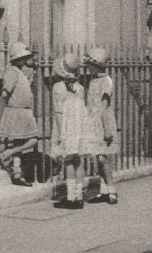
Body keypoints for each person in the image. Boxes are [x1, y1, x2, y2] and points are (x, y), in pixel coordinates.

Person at [0, 42, 39, 186]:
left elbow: (22, 88)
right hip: (18, 111)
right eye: (25, 57)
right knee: (33, 140)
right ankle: (7, 154)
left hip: (23, 111)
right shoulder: (13, 72)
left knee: (19, 141)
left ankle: (17, 173)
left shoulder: (19, 72)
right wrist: (14, 105)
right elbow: (5, 92)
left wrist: (32, 77)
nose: (27, 59)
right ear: (19, 59)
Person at [50, 52, 88, 208]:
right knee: (78, 160)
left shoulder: (57, 88)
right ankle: (79, 197)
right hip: (78, 128)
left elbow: (58, 113)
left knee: (68, 161)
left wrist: (61, 134)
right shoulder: (80, 88)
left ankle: (71, 197)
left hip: (65, 127)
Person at [83, 47, 119, 204]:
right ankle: (104, 190)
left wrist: (107, 130)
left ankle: (112, 190)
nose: (88, 68)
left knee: (103, 158)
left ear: (96, 65)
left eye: (90, 64)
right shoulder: (93, 80)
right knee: (97, 158)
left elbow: (104, 107)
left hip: (103, 124)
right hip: (93, 123)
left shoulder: (107, 81)